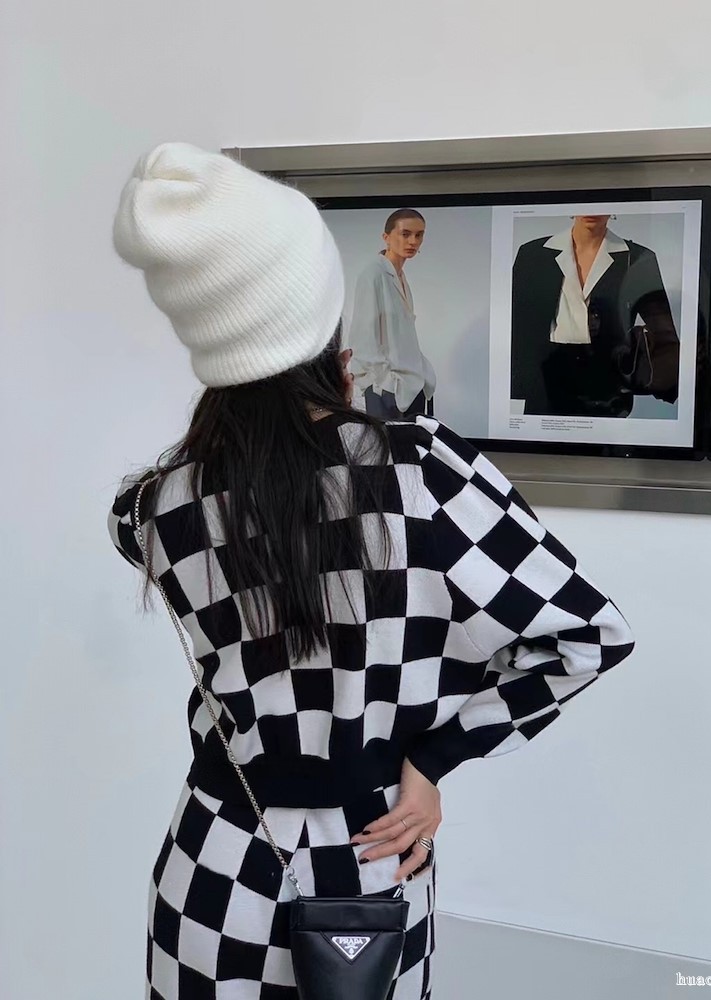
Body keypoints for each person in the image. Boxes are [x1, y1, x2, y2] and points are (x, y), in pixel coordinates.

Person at [109, 144, 635, 1000]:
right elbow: (587, 635)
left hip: (214, 863)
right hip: (371, 858)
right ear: (328, 335)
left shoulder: (153, 505)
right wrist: (432, 761)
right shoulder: (420, 470)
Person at [511, 214, 680, 418]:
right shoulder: (533, 253)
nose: (591, 211)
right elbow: (515, 325)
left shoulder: (638, 257)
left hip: (608, 389)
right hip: (547, 384)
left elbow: (664, 331)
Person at [348, 209, 436, 419]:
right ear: (386, 237)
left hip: (410, 385)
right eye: (405, 234)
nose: (413, 241)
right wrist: (386, 383)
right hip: (387, 390)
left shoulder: (399, 276)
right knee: (388, 441)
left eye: (419, 235)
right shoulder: (373, 274)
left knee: (413, 440)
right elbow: (363, 337)